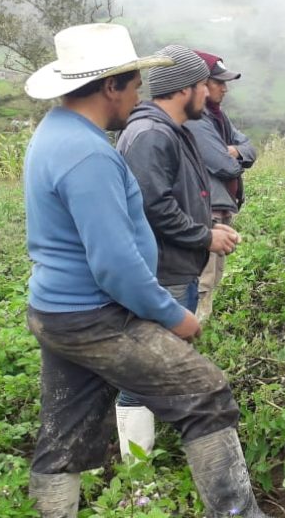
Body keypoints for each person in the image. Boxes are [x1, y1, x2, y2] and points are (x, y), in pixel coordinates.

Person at [23, 23, 285, 518]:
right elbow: (113, 263)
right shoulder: (88, 154)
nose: (137, 95)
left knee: (63, 432)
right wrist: (172, 316)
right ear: (110, 86)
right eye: (132, 84)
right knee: (206, 392)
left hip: (55, 309)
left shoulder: (54, 133)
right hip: (94, 315)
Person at [114, 45, 240, 460]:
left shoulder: (170, 129)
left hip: (172, 269)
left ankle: (148, 457)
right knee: (143, 370)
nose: (209, 93)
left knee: (160, 365)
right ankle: (137, 474)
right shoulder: (152, 135)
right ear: (184, 88)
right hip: (162, 271)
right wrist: (205, 236)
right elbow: (154, 206)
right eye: (203, 85)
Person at [185, 51, 257, 323]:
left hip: (221, 204)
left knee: (214, 274)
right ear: (201, 83)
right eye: (219, 82)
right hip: (207, 208)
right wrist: (235, 157)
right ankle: (195, 327)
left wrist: (235, 152)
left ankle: (202, 325)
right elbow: (223, 165)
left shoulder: (219, 117)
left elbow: (249, 148)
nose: (225, 88)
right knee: (203, 276)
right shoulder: (197, 120)